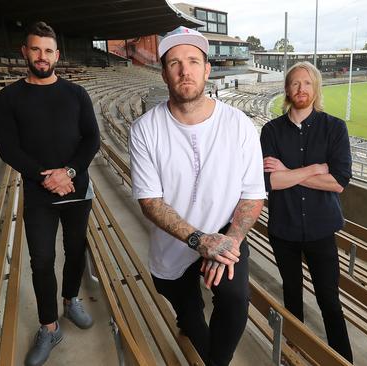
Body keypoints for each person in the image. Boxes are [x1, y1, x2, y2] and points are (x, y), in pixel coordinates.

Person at [129, 26, 265, 366]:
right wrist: (199, 241)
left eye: (193, 61)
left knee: (235, 300)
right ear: (163, 73)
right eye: (174, 62)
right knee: (188, 317)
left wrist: (230, 240)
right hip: (174, 245)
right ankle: (190, 323)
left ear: (207, 69)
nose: (184, 70)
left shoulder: (239, 125)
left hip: (224, 233)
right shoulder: (146, 129)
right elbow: (150, 202)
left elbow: (252, 196)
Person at [0, 21, 100, 366]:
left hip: (76, 189)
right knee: (41, 259)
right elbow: (9, 149)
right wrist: (47, 178)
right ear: (25, 52)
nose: (42, 56)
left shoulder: (76, 94)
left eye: (48, 50)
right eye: (35, 49)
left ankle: (70, 299)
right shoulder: (8, 97)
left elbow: (91, 139)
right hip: (40, 194)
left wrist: (67, 173)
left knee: (74, 250)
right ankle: (49, 326)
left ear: (57, 54)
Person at [260, 61, 354, 363]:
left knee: (329, 300)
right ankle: (293, 352)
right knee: (292, 296)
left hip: (321, 230)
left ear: (316, 89)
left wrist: (290, 172)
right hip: (284, 229)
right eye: (295, 83)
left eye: (307, 83)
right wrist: (313, 169)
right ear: (287, 89)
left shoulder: (334, 128)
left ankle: (343, 359)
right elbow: (270, 181)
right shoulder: (271, 131)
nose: (301, 89)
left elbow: (338, 182)